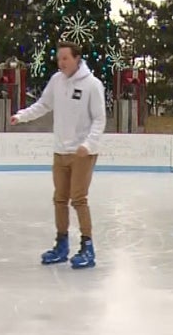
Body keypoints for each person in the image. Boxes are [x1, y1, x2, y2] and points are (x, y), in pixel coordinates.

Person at [10, 40, 106, 269]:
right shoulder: (56, 81)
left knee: (78, 199)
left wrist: (88, 144)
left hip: (82, 153)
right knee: (60, 199)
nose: (61, 62)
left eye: (65, 58)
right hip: (60, 151)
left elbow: (99, 119)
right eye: (59, 58)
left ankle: (87, 247)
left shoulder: (92, 85)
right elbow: (43, 105)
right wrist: (21, 116)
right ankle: (61, 244)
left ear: (76, 58)